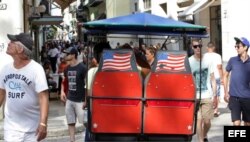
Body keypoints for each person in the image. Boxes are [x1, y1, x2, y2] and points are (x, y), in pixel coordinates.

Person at [0, 33, 49, 141]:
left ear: (20, 49)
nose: (9, 43)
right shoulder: (5, 69)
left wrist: (43, 123)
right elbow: (1, 94)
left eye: (12, 42)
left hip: (33, 130)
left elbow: (43, 97)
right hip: (11, 129)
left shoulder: (36, 69)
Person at [189, 39, 216, 142]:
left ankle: (204, 135)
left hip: (207, 95)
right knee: (198, 120)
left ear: (202, 46)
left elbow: (212, 78)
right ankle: (201, 140)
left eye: (199, 46)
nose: (197, 48)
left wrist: (215, 95)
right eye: (195, 46)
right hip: (195, 96)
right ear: (192, 48)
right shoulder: (190, 61)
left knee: (207, 121)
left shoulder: (208, 60)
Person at [60, 47, 87, 142]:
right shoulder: (66, 69)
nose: (65, 56)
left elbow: (87, 85)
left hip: (80, 100)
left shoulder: (83, 68)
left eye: (67, 54)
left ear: (73, 55)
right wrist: (62, 91)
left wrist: (86, 100)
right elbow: (64, 81)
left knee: (84, 122)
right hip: (70, 99)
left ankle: (86, 139)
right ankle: (72, 140)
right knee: (70, 122)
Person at [224, 37, 250, 126]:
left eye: (238, 46)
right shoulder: (232, 60)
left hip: (247, 97)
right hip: (234, 97)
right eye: (235, 46)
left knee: (247, 123)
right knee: (236, 123)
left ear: (245, 47)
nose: (236, 48)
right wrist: (225, 92)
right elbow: (225, 75)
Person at [205, 42, 223, 117]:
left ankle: (209, 110)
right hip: (216, 76)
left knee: (209, 93)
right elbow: (219, 67)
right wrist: (222, 78)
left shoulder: (204, 56)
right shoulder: (217, 56)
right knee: (217, 93)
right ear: (214, 48)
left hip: (207, 77)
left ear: (207, 48)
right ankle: (215, 110)